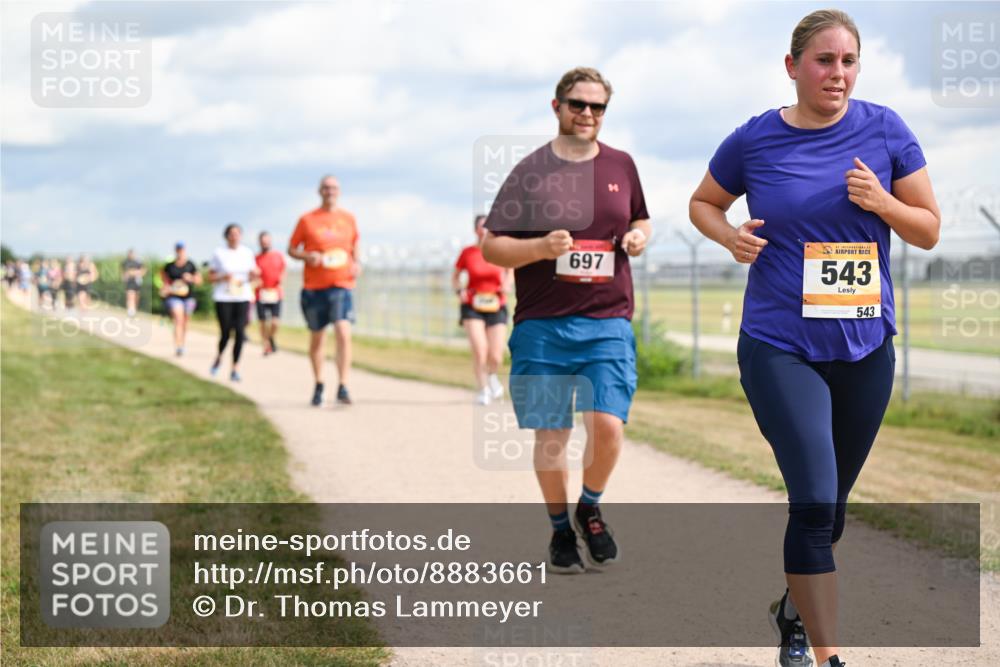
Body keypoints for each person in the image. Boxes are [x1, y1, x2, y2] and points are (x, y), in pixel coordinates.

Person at [688, 10, 940, 667]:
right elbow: (703, 202)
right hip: (780, 345)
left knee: (833, 512)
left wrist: (882, 202)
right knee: (814, 503)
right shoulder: (755, 139)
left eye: (849, 61)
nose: (838, 73)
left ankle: (792, 611)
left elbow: (928, 229)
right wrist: (730, 236)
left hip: (865, 348)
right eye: (825, 60)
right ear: (792, 65)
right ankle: (827, 656)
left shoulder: (885, 129)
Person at [482, 67, 651, 574]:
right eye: (578, 104)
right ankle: (560, 530)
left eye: (598, 107)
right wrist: (539, 246)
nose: (587, 114)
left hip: (607, 320)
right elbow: (492, 246)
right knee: (552, 435)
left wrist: (639, 237)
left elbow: (639, 218)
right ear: (557, 107)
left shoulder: (621, 164)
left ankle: (589, 507)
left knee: (608, 426)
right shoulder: (530, 171)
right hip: (544, 325)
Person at [288, 175, 360, 406]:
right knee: (318, 338)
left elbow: (355, 244)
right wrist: (307, 256)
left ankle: (343, 385)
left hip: (341, 284)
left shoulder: (348, 218)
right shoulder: (307, 219)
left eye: (334, 188)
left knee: (343, 331)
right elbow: (291, 249)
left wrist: (357, 263)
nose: (330, 191)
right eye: (326, 187)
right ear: (320, 191)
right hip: (314, 287)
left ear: (339, 191)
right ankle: (319, 383)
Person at [453, 214, 512, 405]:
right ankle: (483, 388)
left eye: (488, 226)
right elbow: (455, 276)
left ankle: (492, 375)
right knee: (480, 350)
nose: (485, 229)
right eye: (481, 226)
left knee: (496, 354)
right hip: (473, 305)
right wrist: (459, 290)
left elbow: (510, 271)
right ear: (475, 230)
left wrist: (507, 284)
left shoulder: (501, 250)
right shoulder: (468, 252)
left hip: (496, 304)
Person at [208, 224, 259, 382]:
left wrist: (254, 275)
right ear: (227, 236)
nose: (234, 236)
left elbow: (253, 275)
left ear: (241, 236)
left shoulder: (247, 253)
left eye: (237, 233)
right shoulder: (219, 253)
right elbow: (210, 277)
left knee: (239, 332)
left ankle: (235, 368)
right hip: (224, 297)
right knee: (225, 332)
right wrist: (222, 277)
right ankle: (219, 356)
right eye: (231, 234)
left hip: (242, 296)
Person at [160, 242, 202, 356]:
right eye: (178, 249)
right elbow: (164, 282)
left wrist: (191, 278)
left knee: (184, 322)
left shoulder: (190, 265)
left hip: (189, 297)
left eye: (181, 249)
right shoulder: (169, 266)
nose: (180, 251)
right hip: (174, 296)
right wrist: (166, 289)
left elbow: (199, 281)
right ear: (175, 250)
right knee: (178, 319)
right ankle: (178, 346)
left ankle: (182, 344)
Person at [255, 231, 286, 355]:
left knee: (275, 322)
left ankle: (270, 338)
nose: (265, 243)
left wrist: (281, 279)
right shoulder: (255, 258)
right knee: (263, 321)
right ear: (259, 243)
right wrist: (255, 278)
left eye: (267, 241)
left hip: (275, 293)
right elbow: (252, 274)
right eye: (263, 242)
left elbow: (284, 270)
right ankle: (266, 346)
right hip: (261, 293)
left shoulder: (278, 256)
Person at [122, 249, 146, 317]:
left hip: (137, 282)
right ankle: (130, 310)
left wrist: (136, 273)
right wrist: (125, 276)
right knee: (130, 295)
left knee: (136, 296)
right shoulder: (125, 262)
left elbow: (143, 270)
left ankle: (134, 309)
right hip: (129, 282)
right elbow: (124, 272)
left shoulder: (138, 262)